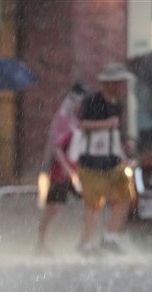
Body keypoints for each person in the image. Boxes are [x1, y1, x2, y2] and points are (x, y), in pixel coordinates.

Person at [76, 63, 135, 255]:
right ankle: (86, 243)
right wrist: (106, 124)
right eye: (116, 82)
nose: (119, 86)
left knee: (124, 196)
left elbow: (117, 131)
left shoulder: (118, 103)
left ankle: (110, 237)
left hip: (113, 159)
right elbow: (83, 124)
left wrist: (124, 151)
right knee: (93, 203)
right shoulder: (93, 101)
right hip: (92, 160)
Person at [36, 82, 87, 255]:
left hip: (73, 168)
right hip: (61, 170)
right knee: (53, 206)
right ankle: (41, 242)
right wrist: (66, 167)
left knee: (89, 202)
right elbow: (57, 147)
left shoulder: (74, 118)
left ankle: (83, 239)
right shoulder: (63, 118)